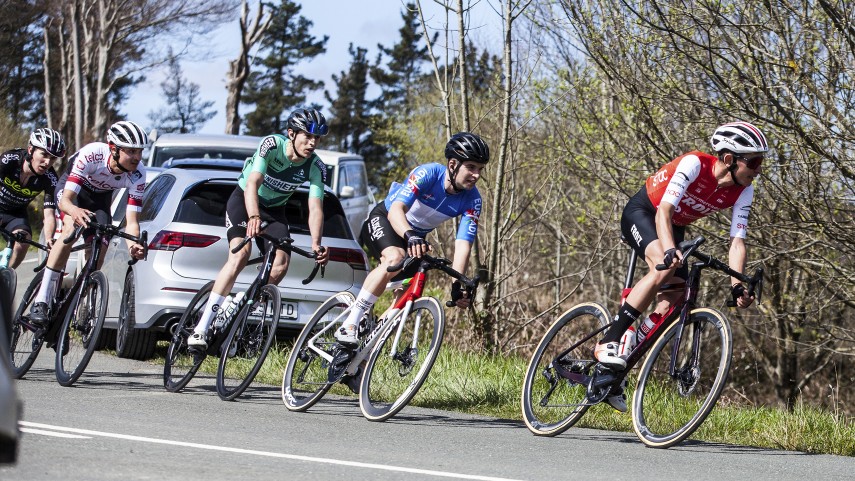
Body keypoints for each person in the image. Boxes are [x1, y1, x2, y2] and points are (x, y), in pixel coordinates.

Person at [595, 121, 768, 411]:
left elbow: (737, 242)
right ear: (729, 159)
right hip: (645, 213)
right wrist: (670, 250)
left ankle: (626, 351)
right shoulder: (694, 164)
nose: (758, 169)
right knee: (662, 269)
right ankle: (609, 340)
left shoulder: (744, 191)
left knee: (676, 297)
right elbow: (664, 210)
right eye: (754, 161)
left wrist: (736, 284)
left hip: (674, 227)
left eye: (761, 161)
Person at [187, 108, 330, 349]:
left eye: (317, 138)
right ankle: (201, 327)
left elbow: (315, 207)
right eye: (308, 136)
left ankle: (240, 306)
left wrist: (317, 244)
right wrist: (253, 215)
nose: (313, 142)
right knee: (240, 254)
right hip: (245, 201)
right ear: (291, 134)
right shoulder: (271, 145)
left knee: (281, 264)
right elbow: (253, 182)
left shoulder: (316, 166)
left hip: (274, 211)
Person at [334, 132, 489, 345]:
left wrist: (457, 284)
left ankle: (366, 351)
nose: (477, 175)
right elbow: (397, 209)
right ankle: (350, 323)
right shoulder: (428, 173)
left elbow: (463, 244)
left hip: (415, 238)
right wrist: (410, 235)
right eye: (471, 167)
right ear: (453, 164)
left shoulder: (473, 200)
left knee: (409, 296)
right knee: (394, 258)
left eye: (480, 169)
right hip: (388, 220)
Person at [29, 121, 149, 325]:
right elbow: (66, 200)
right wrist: (74, 212)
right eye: (131, 151)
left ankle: (81, 302)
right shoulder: (93, 154)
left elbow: (132, 221)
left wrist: (133, 244)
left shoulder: (138, 174)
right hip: (72, 193)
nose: (137, 157)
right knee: (69, 230)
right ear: (114, 149)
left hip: (99, 200)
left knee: (101, 245)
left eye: (139, 151)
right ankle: (41, 299)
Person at [0, 128, 64, 268]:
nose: (47, 162)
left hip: (15, 214)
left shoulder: (50, 178)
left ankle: (5, 276)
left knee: (23, 242)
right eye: (44, 154)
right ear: (30, 150)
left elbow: (49, 215)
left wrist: (48, 239)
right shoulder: (9, 160)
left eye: (53, 158)